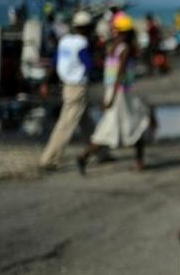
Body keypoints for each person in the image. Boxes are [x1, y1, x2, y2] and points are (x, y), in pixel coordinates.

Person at [77, 12, 151, 174]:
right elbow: (120, 73)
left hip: (113, 91)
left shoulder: (112, 47)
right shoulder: (125, 49)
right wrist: (111, 99)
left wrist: (109, 95)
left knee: (130, 125)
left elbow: (109, 71)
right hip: (122, 93)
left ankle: (139, 162)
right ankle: (84, 155)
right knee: (132, 125)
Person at [38, 11, 95, 171]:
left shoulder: (64, 41)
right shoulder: (82, 43)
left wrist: (45, 83)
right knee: (66, 124)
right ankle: (49, 159)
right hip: (77, 87)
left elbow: (54, 62)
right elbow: (89, 65)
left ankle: (101, 152)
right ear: (87, 28)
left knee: (86, 122)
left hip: (66, 86)